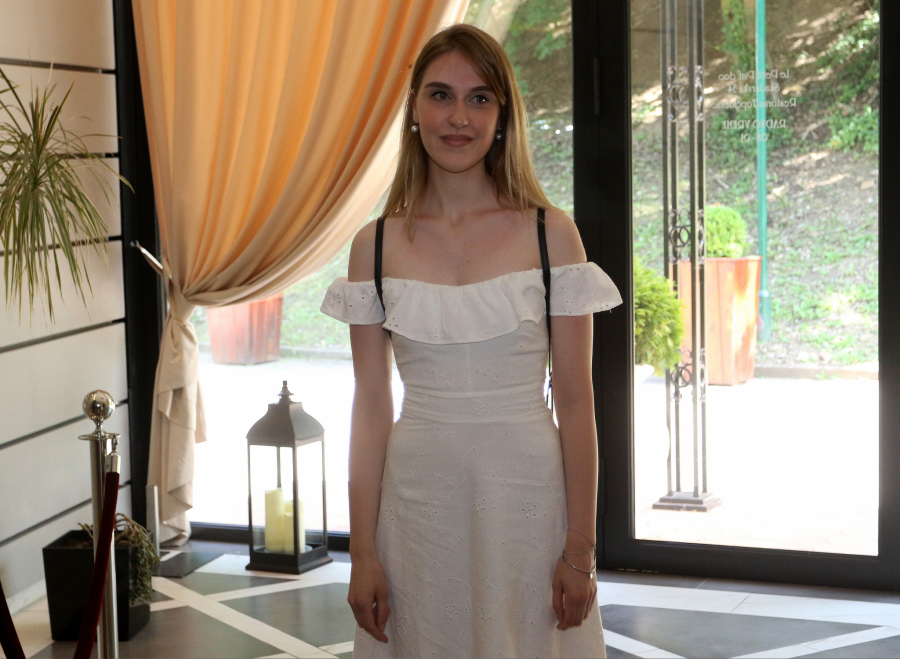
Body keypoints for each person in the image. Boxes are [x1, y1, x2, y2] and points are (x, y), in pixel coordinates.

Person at [320, 23, 622, 659]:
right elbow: (371, 405)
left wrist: (581, 548)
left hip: (529, 505)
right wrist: (362, 551)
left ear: (502, 116)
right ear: (414, 109)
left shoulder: (551, 235)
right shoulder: (374, 246)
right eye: (441, 95)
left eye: (479, 98)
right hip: (416, 511)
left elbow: (576, 401)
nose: (459, 117)